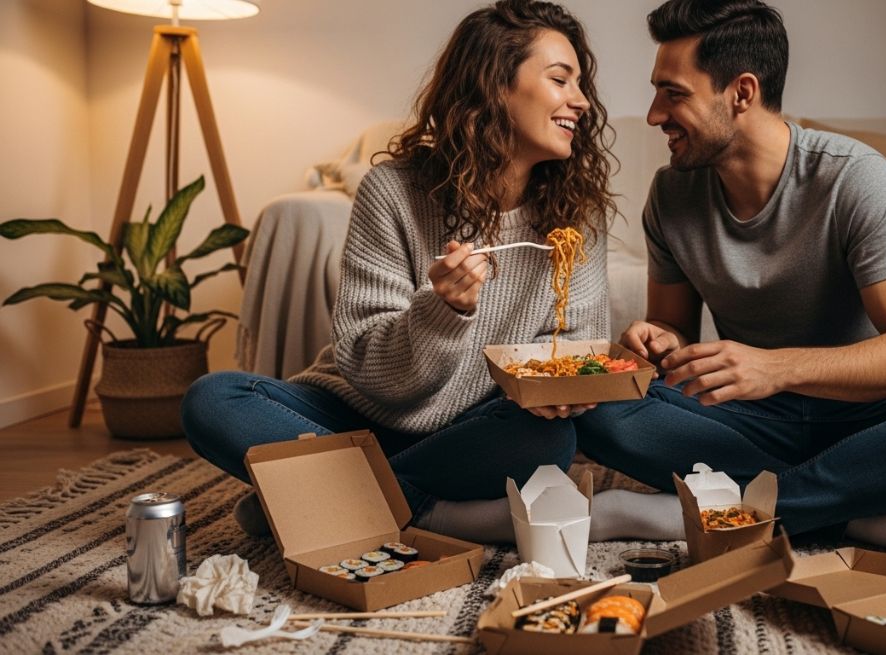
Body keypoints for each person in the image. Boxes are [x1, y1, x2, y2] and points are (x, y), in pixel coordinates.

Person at [182, 0, 682, 543]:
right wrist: (442, 311)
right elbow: (370, 373)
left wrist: (573, 388)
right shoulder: (393, 192)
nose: (582, 102)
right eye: (561, 80)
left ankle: (313, 499)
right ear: (495, 86)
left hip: (469, 432)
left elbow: (571, 347)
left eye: (580, 84)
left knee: (548, 444)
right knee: (214, 399)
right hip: (356, 417)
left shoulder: (575, 214)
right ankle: (426, 512)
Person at [574, 0, 886, 558]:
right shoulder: (673, 193)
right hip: (747, 419)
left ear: (742, 92)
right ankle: (853, 510)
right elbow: (674, 328)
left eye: (674, 93)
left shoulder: (854, 179)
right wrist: (661, 339)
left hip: (866, 418)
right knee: (593, 403)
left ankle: (712, 512)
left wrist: (774, 368)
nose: (655, 113)